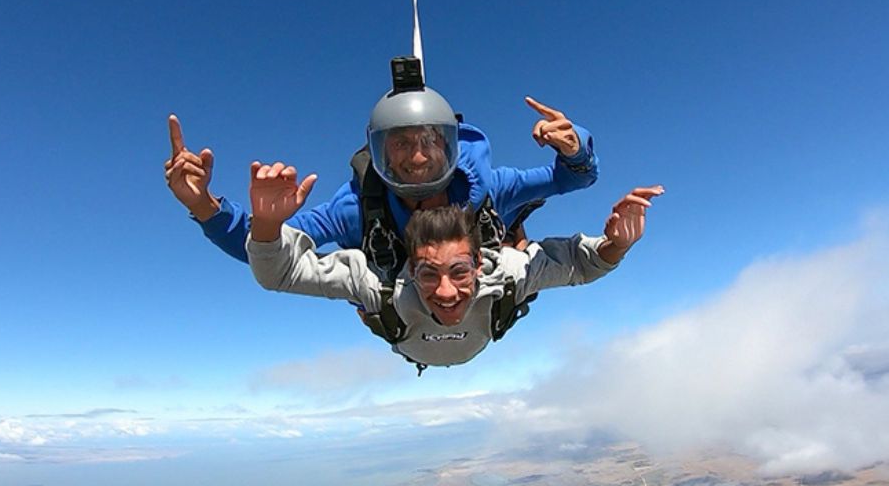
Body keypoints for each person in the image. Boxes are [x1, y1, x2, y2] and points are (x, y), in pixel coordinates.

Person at [246, 159, 664, 369]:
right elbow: (280, 272)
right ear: (409, 267)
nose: (445, 292)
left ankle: (515, 223)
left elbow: (580, 262)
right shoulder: (378, 284)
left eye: (460, 271)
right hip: (421, 341)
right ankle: (516, 225)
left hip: (435, 333)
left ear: (480, 263)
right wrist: (266, 226)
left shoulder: (505, 273)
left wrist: (617, 244)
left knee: (521, 252)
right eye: (427, 273)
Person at [165, 78, 599, 266]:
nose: (416, 157)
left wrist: (574, 143)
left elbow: (573, 177)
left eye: (430, 141)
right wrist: (204, 205)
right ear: (378, 153)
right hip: (404, 320)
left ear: (450, 144)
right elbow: (261, 249)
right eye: (400, 144)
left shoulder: (489, 188)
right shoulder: (356, 209)